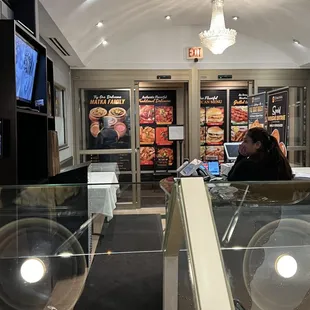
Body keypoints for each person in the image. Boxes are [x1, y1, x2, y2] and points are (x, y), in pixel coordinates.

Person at [227, 127, 293, 181]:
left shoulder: (246, 165)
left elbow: (231, 179)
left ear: (257, 145)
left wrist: (241, 156)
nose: (242, 144)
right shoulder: (282, 164)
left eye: (245, 141)